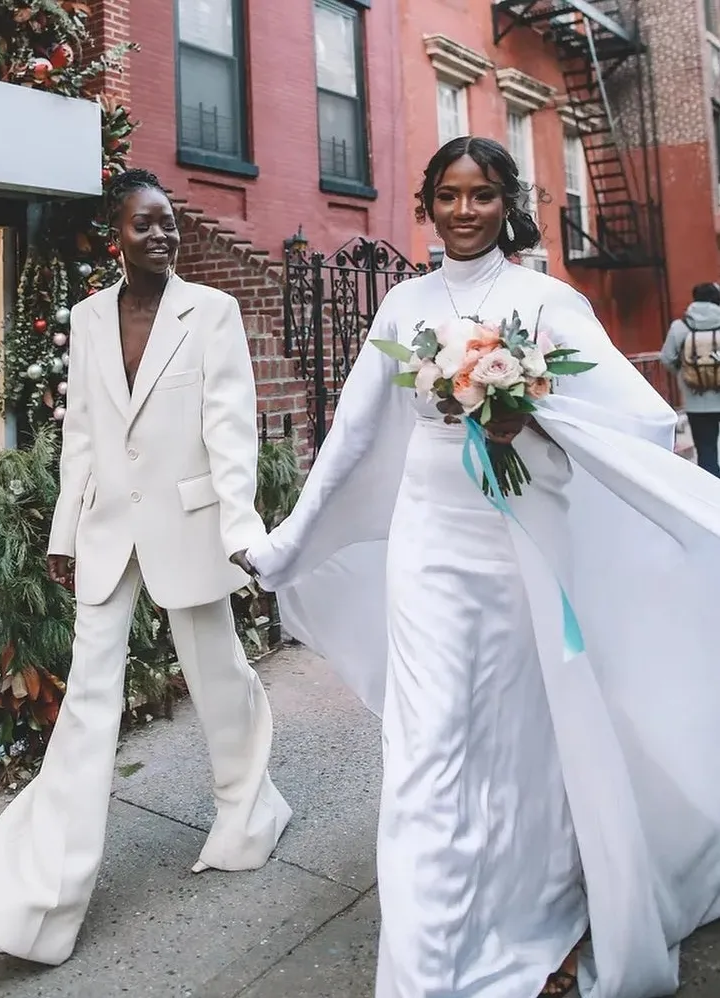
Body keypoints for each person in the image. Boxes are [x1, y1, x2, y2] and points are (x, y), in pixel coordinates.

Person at [247, 136, 720, 998]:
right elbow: (352, 434)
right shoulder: (401, 306)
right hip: (427, 546)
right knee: (427, 746)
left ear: (508, 204)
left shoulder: (546, 301)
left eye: (484, 195)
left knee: (517, 742)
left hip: (515, 547)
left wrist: (530, 422)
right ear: (426, 203)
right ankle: (424, 966)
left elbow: (641, 420)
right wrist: (290, 539)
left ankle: (530, 907)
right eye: (450, 195)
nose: (466, 211)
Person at [0, 168, 291, 965]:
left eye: (169, 221)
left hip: (195, 527)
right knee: (88, 702)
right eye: (145, 223)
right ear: (115, 236)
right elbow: (85, 436)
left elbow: (232, 432)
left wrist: (242, 528)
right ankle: (40, 904)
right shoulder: (91, 316)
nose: (162, 233)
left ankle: (250, 811)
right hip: (107, 530)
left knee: (220, 678)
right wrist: (65, 532)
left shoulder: (214, 312)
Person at [661, 282, 720, 476]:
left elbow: (667, 358)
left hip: (696, 401)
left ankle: (712, 496)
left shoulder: (680, 327)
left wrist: (685, 374)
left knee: (706, 451)